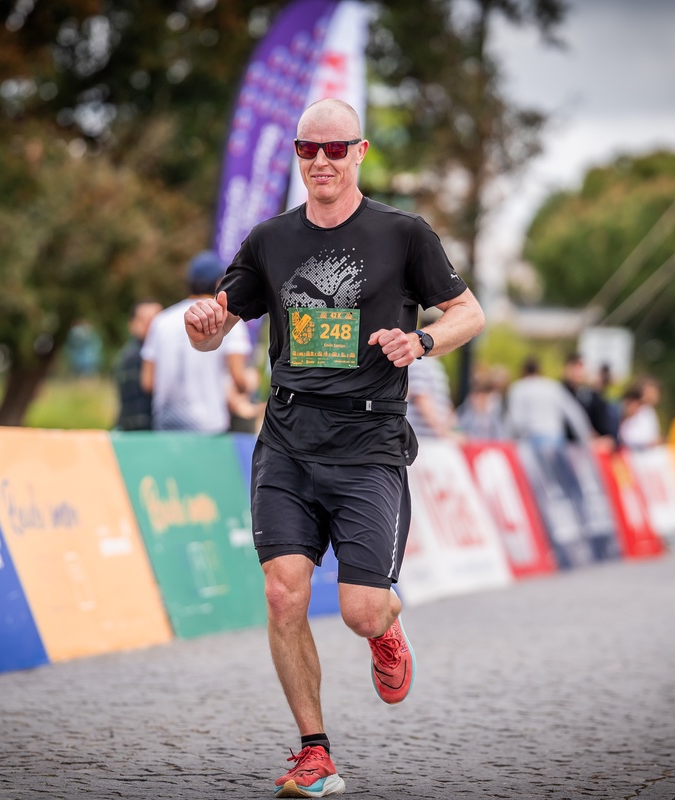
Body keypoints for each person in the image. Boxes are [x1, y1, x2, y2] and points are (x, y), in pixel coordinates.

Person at [184, 98, 484, 798]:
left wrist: (422, 340)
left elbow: (468, 312)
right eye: (307, 149)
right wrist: (205, 326)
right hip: (287, 440)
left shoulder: (403, 234)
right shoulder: (270, 239)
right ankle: (314, 753)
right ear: (297, 155)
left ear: (360, 152)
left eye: (335, 149)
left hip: (369, 443)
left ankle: (386, 627)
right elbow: (218, 327)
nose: (321, 161)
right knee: (282, 592)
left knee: (360, 610)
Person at [141, 252, 252, 433]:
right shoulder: (226, 319)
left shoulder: (161, 321)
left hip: (165, 424)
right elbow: (238, 377)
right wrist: (249, 385)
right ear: (219, 282)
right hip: (210, 424)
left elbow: (148, 382)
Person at [505, 356, 593, 447]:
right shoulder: (552, 386)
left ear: (523, 372)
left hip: (531, 438)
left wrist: (508, 440)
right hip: (556, 438)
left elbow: (514, 418)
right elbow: (574, 413)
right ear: (540, 371)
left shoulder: (518, 388)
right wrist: (586, 441)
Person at [112, 299, 162, 431]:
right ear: (131, 324)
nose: (150, 325)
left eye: (156, 320)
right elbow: (136, 413)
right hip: (140, 434)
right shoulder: (133, 358)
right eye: (144, 320)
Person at [561, 353, 615, 447]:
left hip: (584, 447)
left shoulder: (592, 397)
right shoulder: (558, 392)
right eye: (574, 366)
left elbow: (605, 433)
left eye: (580, 367)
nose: (577, 372)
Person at [406, 354, 458, 440]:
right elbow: (421, 399)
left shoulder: (437, 366)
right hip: (421, 437)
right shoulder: (419, 362)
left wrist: (454, 429)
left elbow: (445, 404)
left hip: (435, 436)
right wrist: (443, 432)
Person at [456, 367, 505, 441]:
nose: (481, 401)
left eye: (483, 398)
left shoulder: (494, 414)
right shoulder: (465, 412)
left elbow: (500, 434)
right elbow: (458, 427)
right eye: (478, 397)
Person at [619, 378, 661, 450]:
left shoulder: (649, 411)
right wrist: (648, 442)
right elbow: (626, 435)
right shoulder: (632, 409)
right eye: (649, 392)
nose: (651, 396)